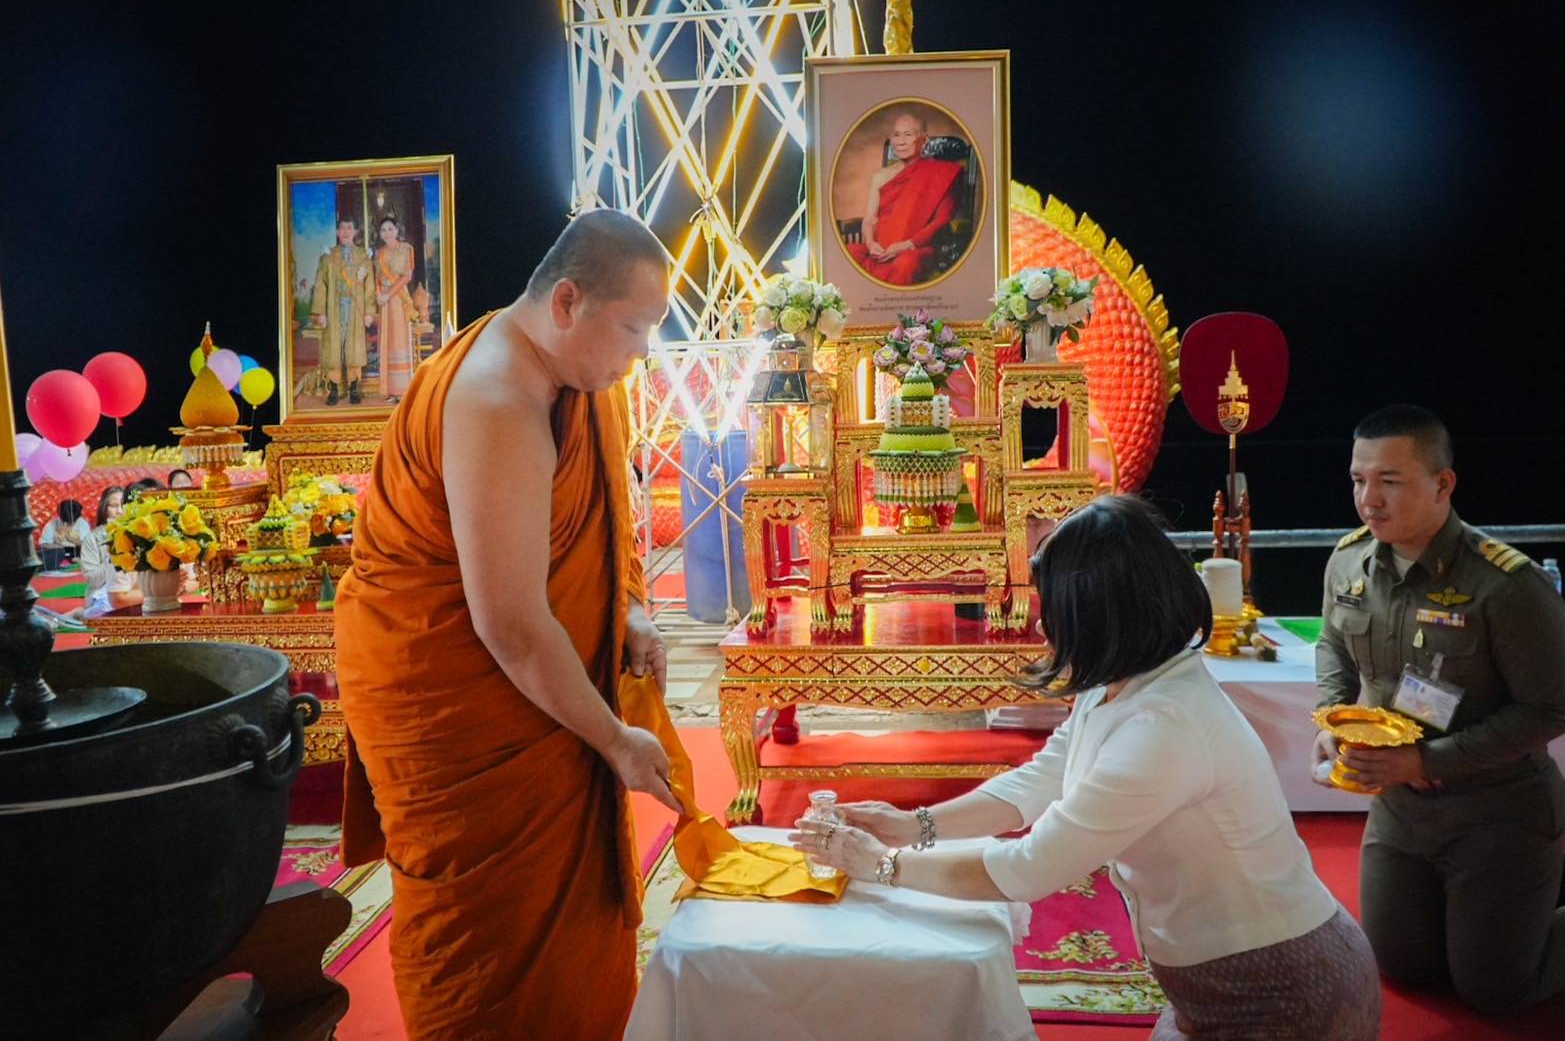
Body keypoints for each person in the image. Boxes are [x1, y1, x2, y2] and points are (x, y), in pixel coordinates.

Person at [795, 494, 1380, 1039]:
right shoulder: (1121, 682)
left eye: (1053, 609)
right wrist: (914, 825)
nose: (1042, 626)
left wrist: (882, 865)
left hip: (1283, 989)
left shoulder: (1165, 726)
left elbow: (1031, 866)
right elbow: (1043, 777)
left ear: (1102, 616)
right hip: (1217, 980)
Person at [334, 208, 680, 1039]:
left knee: (568, 937)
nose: (642, 353)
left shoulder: (566, 376)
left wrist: (628, 607)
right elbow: (513, 628)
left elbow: (596, 524)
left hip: (529, 685)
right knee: (489, 939)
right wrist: (613, 740)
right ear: (566, 302)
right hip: (455, 704)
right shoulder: (497, 398)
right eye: (633, 328)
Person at [1312, 404, 1565, 1012]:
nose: (1369, 500)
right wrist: (1332, 713)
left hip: (1497, 813)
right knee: (1404, 968)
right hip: (1402, 813)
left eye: (1390, 481)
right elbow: (1332, 645)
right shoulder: (1349, 562)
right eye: (1358, 480)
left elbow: (1551, 709)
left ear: (1442, 483)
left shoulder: (1506, 584)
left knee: (1497, 991)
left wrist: (1425, 761)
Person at [843, 111, 962, 286]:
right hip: (881, 247)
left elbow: (942, 220)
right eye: (897, 135)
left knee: (906, 264)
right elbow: (870, 219)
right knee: (850, 253)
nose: (901, 141)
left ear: (924, 139)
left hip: (917, 248)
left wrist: (906, 245)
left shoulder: (941, 173)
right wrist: (870, 243)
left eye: (908, 134)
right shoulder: (881, 177)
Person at [310, 216, 376, 406]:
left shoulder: (363, 256)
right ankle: (334, 388)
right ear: (337, 232)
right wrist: (321, 312)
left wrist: (369, 311)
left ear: (355, 232)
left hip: (355, 309)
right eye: (342, 228)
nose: (346, 232)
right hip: (334, 308)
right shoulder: (328, 257)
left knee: (354, 347)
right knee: (334, 348)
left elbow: (370, 286)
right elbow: (320, 285)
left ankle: (354, 388)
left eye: (349, 228)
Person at [374, 215, 417, 402]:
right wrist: (379, 295)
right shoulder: (379, 253)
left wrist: (388, 294)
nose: (387, 233)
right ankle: (390, 390)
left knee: (400, 340)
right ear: (380, 233)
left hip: (399, 299)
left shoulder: (406, 249)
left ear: (397, 230)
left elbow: (407, 277)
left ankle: (403, 390)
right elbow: (376, 277)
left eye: (390, 229)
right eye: (383, 230)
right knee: (387, 341)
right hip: (384, 301)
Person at [77, 486, 138, 616]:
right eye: (114, 506)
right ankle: (81, 613)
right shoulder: (92, 539)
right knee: (110, 607)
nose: (119, 511)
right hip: (103, 593)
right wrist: (114, 557)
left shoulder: (137, 532)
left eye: (123, 505)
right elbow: (92, 579)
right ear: (104, 509)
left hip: (132, 591)